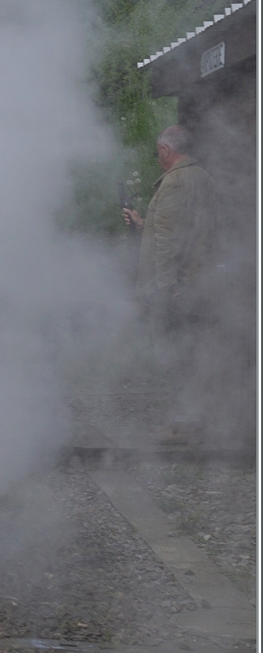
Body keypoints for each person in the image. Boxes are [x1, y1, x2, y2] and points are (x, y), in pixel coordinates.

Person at [123, 125, 217, 440]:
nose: (158, 157)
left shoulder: (174, 181)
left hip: (178, 287)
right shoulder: (203, 178)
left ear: (166, 149)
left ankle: (185, 424)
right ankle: (194, 419)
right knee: (192, 351)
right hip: (199, 280)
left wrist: (168, 288)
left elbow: (167, 240)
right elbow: (182, 228)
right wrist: (142, 223)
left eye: (157, 152)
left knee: (178, 356)